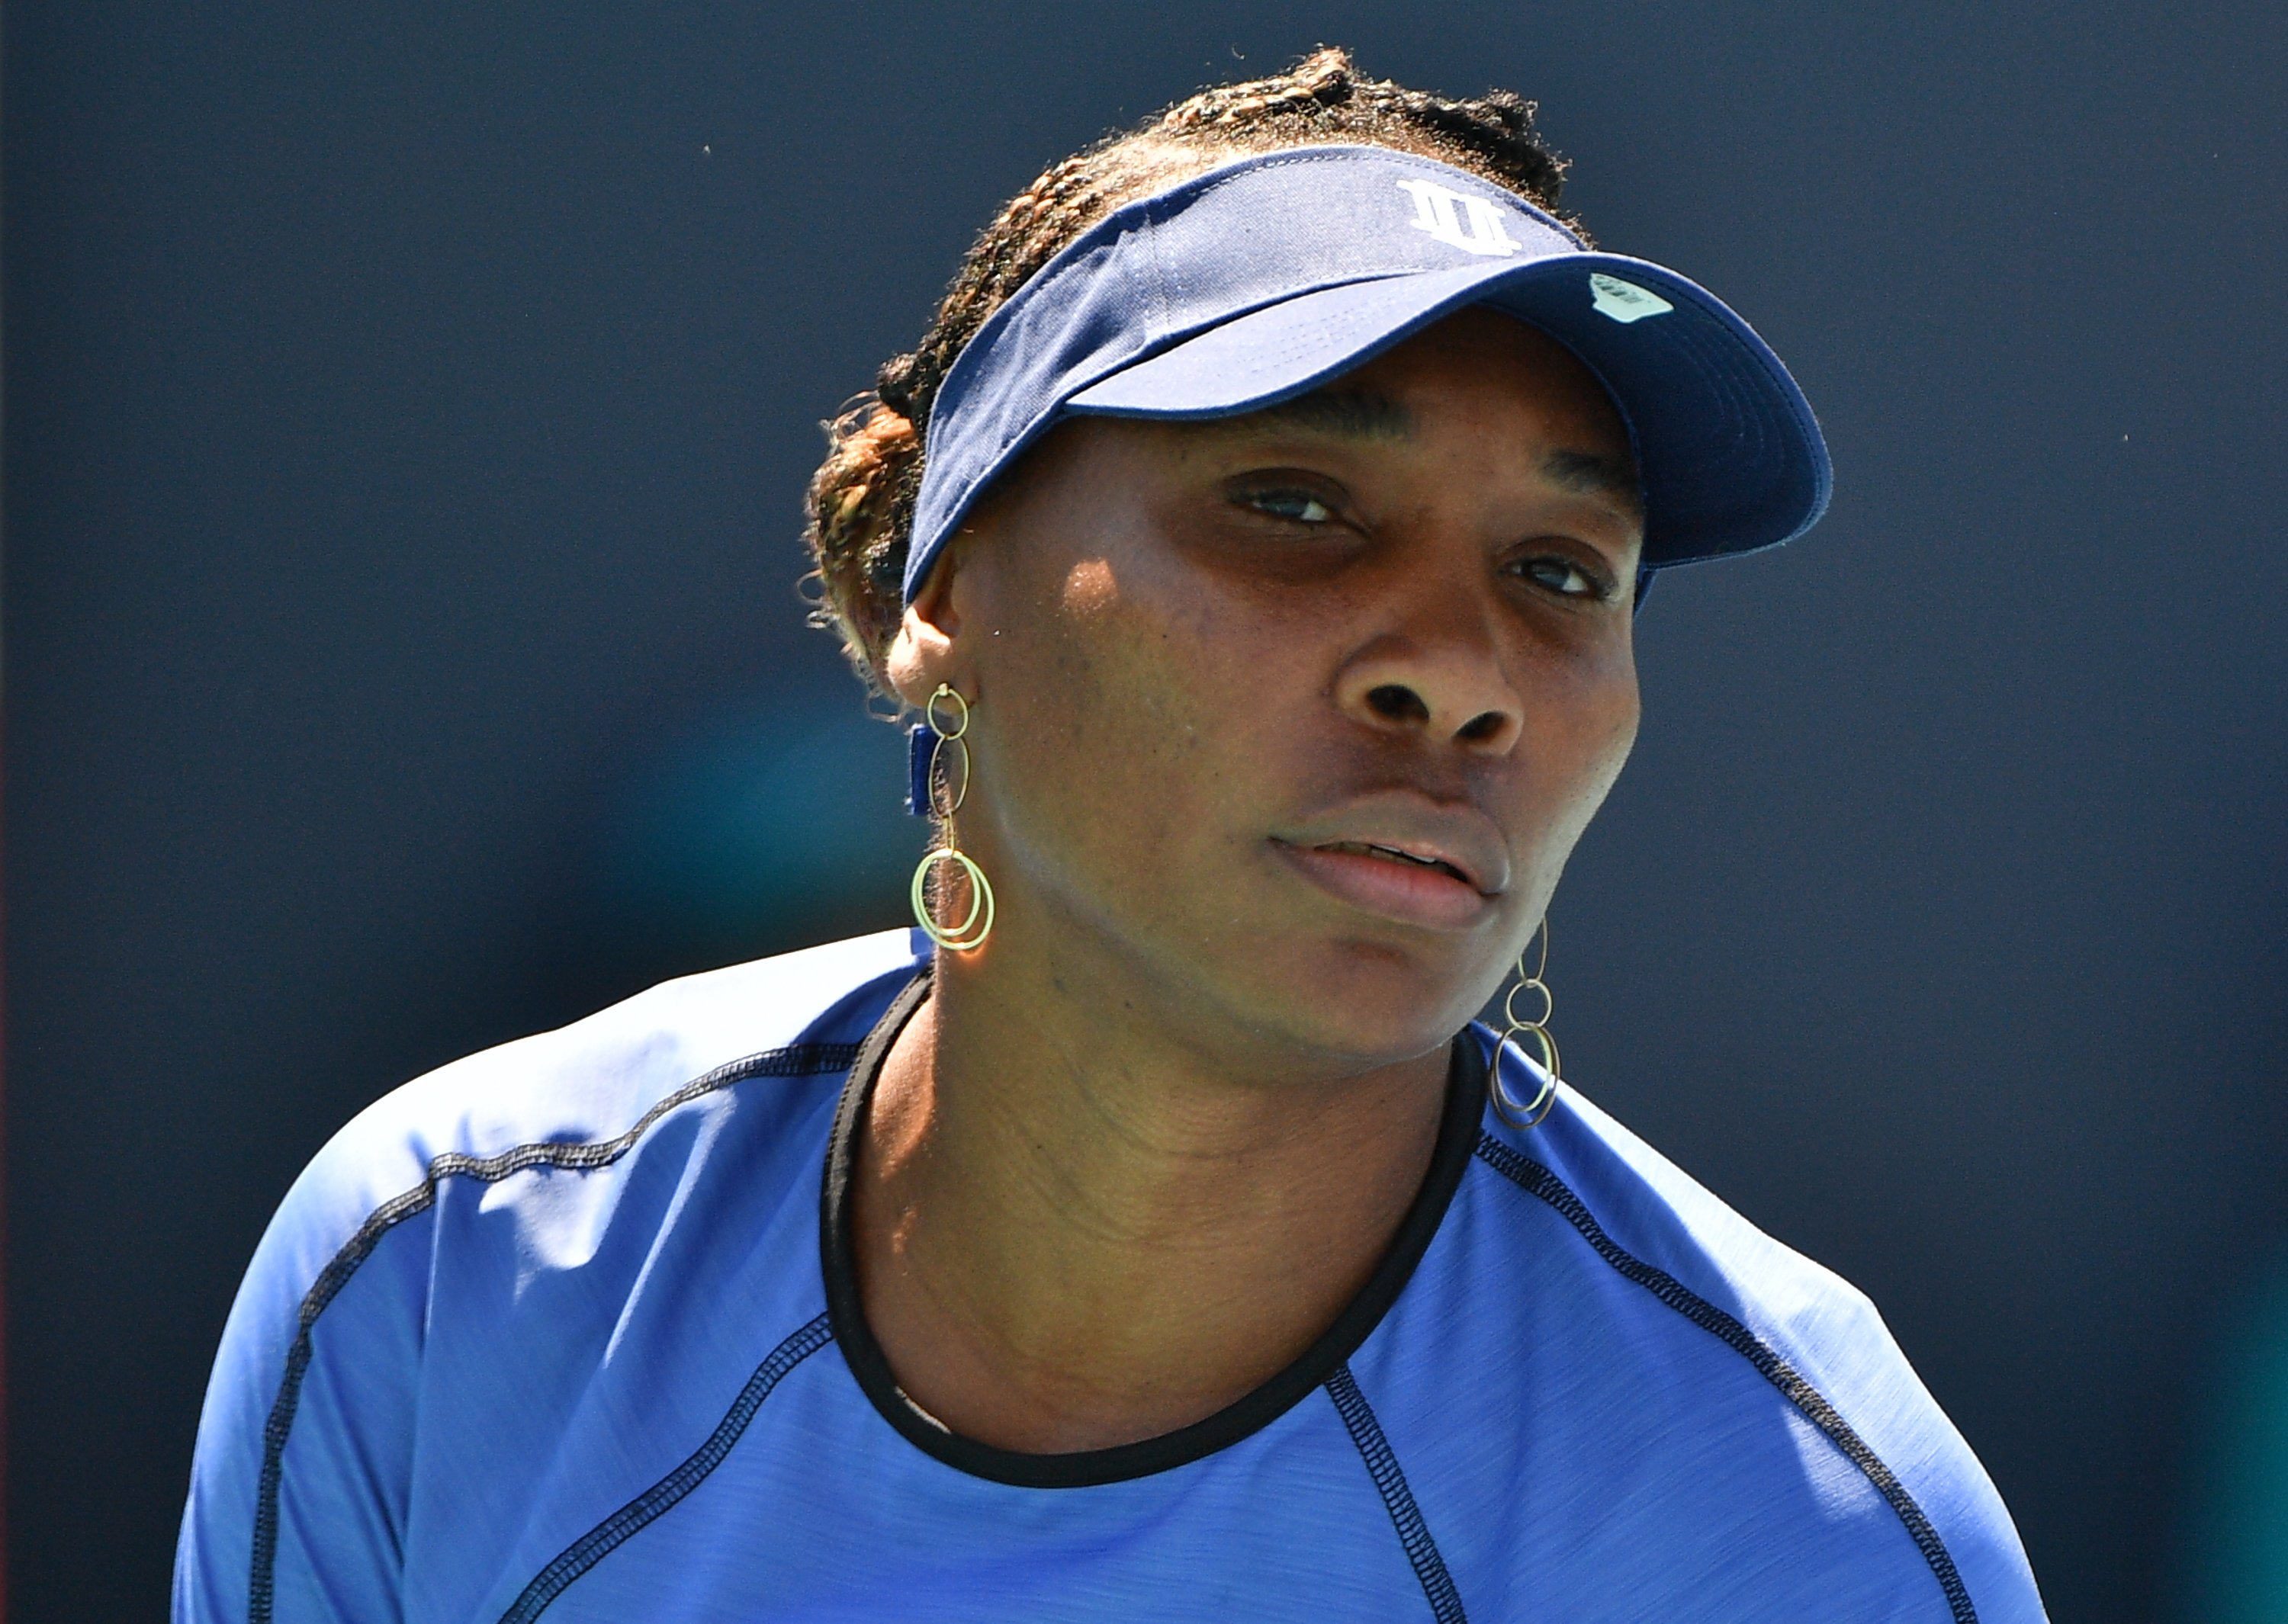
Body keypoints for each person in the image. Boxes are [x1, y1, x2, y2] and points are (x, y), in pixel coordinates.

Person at [175, 49, 2048, 1623]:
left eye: (1562, 570)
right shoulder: (440, 1272)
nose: (1463, 675)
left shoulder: (1796, 1531)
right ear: (944, 577)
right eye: (1297, 499)